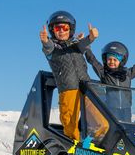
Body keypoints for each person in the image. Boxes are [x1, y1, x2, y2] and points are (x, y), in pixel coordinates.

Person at [39, 11, 99, 141]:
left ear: (70, 29)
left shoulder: (76, 45)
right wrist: (45, 41)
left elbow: (83, 44)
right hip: (68, 89)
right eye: (57, 28)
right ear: (52, 30)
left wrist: (91, 38)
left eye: (65, 27)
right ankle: (74, 149)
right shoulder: (53, 50)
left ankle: (99, 146)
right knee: (69, 123)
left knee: (100, 119)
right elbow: (48, 47)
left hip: (87, 87)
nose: (61, 31)